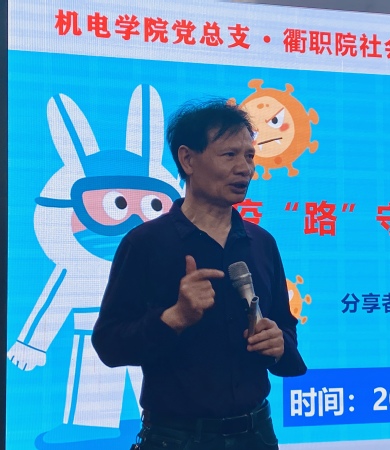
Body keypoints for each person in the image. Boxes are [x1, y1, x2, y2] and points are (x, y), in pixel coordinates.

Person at [91, 99, 307, 450]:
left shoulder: (262, 243)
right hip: (176, 438)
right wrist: (174, 317)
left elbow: (285, 327)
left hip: (257, 434)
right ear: (188, 159)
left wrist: (279, 344)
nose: (244, 169)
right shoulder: (145, 244)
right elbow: (109, 345)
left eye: (249, 156)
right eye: (229, 155)